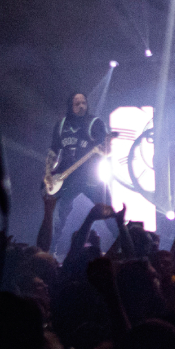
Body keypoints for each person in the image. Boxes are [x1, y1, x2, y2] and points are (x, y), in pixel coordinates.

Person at [44, 92, 110, 251]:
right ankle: (48, 253)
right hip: (65, 178)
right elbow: (53, 151)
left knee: (109, 213)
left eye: (83, 103)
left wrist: (104, 151)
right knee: (56, 218)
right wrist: (48, 173)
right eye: (77, 103)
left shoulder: (95, 123)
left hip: (90, 178)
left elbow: (107, 149)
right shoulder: (61, 125)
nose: (81, 106)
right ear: (70, 106)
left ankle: (127, 248)